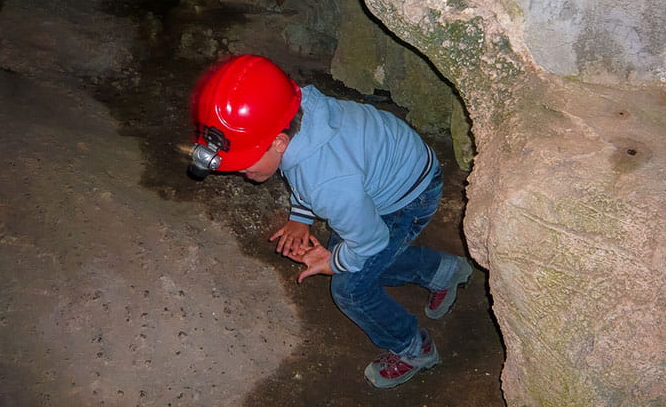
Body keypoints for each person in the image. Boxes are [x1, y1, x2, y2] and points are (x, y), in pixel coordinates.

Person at [188, 54, 473, 388]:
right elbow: (304, 166)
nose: (241, 172)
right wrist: (300, 217)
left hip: (409, 198)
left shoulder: (327, 183)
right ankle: (443, 271)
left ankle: (414, 349)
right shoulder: (295, 114)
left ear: (279, 142)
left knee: (350, 287)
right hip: (390, 168)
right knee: (363, 258)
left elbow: (368, 240)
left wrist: (332, 262)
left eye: (245, 163)